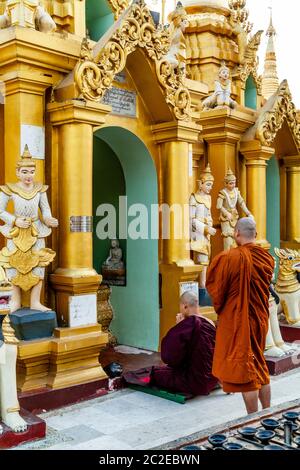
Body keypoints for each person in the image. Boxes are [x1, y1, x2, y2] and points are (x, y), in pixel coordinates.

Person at [206, 217, 274, 414]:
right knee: (259, 363)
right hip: (260, 319)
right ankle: (267, 412)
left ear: (236, 233)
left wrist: (222, 308)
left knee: (247, 370)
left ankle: (252, 417)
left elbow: (217, 291)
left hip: (240, 321)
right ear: (256, 235)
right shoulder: (266, 258)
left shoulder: (229, 258)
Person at [150, 291, 218, 396]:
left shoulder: (188, 324)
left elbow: (170, 357)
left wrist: (179, 326)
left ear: (185, 306)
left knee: (155, 373)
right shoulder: (210, 322)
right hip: (212, 380)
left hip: (194, 382)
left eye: (180, 307)